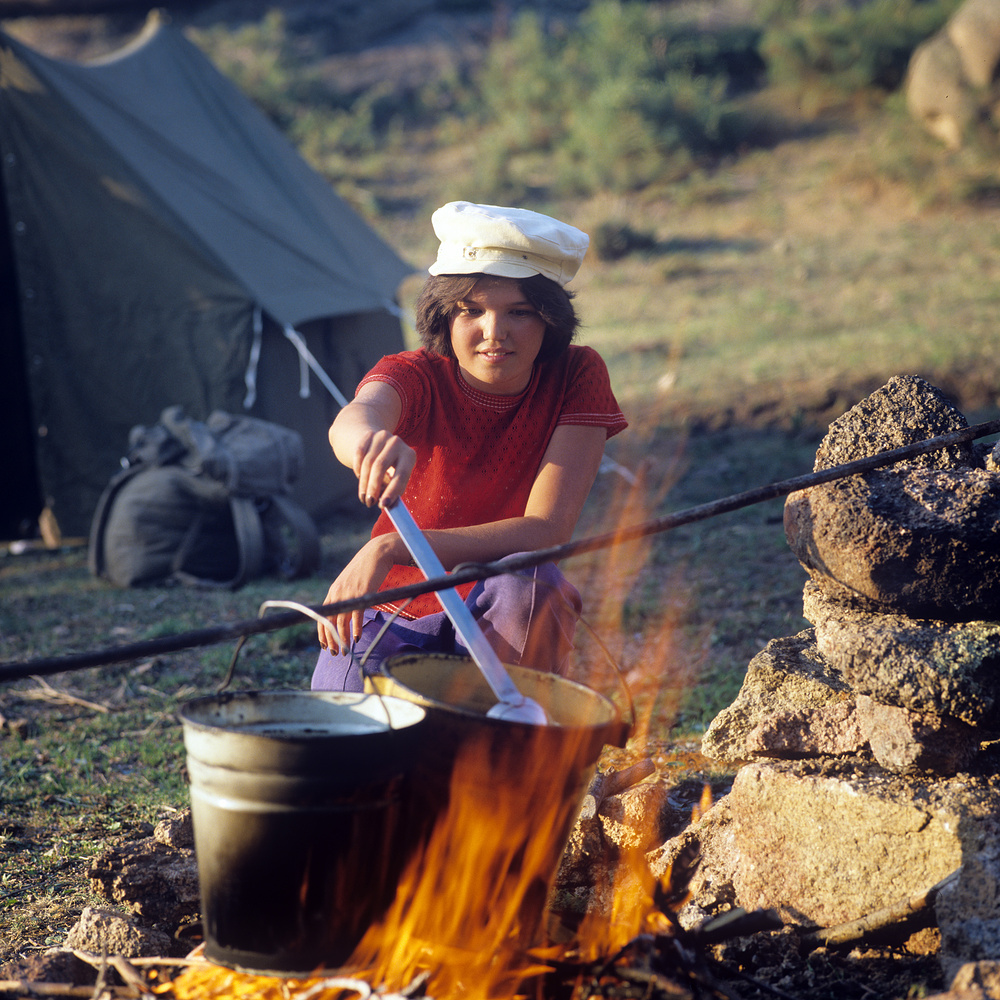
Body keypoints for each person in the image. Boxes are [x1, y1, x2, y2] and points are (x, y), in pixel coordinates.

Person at [312, 200, 627, 692]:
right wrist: (369, 443)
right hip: (395, 604)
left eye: (520, 313)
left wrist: (392, 545)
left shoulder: (577, 374)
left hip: (502, 605)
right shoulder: (415, 373)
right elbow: (354, 419)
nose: (494, 333)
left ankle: (508, 746)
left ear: (549, 320)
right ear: (443, 316)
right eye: (471, 311)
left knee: (531, 586)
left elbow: (547, 529)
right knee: (345, 729)